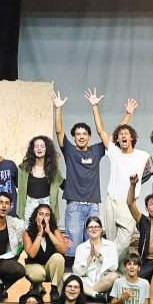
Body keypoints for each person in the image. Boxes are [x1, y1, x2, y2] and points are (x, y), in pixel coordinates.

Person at [54, 89, 133, 255]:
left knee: (93, 247)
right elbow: (59, 131)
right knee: (74, 248)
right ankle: (74, 279)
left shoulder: (96, 150)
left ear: (89, 136)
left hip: (93, 206)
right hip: (74, 205)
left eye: (84, 134)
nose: (81, 137)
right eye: (78, 134)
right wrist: (58, 108)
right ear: (74, 137)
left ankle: (91, 279)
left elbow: (113, 135)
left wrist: (126, 114)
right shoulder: (69, 151)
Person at [103, 116, 148, 261]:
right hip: (111, 201)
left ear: (132, 138)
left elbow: (152, 170)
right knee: (111, 241)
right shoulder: (115, 153)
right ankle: (118, 276)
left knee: (123, 241)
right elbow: (100, 131)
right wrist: (95, 106)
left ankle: (106, 263)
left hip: (128, 203)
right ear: (117, 139)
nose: (123, 136)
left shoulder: (143, 156)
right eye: (120, 134)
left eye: (126, 134)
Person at [22, 204, 68, 298]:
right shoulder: (28, 233)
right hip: (34, 267)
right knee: (38, 273)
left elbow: (63, 250)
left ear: (50, 218)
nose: (44, 217)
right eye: (41, 214)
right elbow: (32, 254)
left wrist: (49, 232)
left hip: (49, 268)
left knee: (59, 257)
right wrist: (40, 233)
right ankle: (36, 286)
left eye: (47, 215)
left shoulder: (54, 231)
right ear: (36, 217)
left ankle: (54, 289)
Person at [16, 135, 64, 222]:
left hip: (47, 206)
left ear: (47, 149)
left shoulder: (53, 169)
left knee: (46, 233)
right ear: (32, 149)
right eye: (36, 146)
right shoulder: (23, 168)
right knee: (28, 233)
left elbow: (63, 184)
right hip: (29, 206)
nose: (39, 149)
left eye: (42, 146)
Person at [72, 216, 119, 299]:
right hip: (86, 281)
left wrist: (99, 256)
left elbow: (114, 267)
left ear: (101, 229)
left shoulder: (111, 245)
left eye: (96, 227)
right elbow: (77, 271)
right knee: (68, 276)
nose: (93, 229)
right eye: (90, 227)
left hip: (103, 282)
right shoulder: (81, 247)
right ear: (86, 231)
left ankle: (89, 294)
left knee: (114, 276)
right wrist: (90, 256)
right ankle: (96, 295)